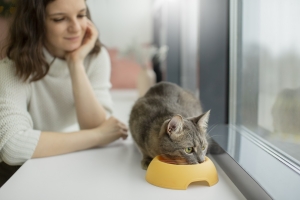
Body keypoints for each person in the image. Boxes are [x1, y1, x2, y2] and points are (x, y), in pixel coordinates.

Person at [0, 0, 128, 186]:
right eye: (59, 19)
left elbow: (95, 124)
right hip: (14, 175)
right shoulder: (12, 68)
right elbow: (13, 148)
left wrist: (75, 64)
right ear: (36, 23)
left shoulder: (95, 57)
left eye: (81, 15)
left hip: (57, 164)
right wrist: (99, 135)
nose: (76, 28)